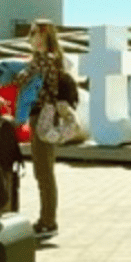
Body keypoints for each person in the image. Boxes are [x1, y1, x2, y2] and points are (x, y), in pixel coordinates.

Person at [21, 20, 79, 240]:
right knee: (44, 171)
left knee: (44, 172)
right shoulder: (56, 60)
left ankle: (48, 221)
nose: (33, 37)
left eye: (37, 33)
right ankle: (46, 219)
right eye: (32, 33)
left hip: (42, 116)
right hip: (45, 115)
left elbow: (23, 79)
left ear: (46, 36)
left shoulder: (44, 60)